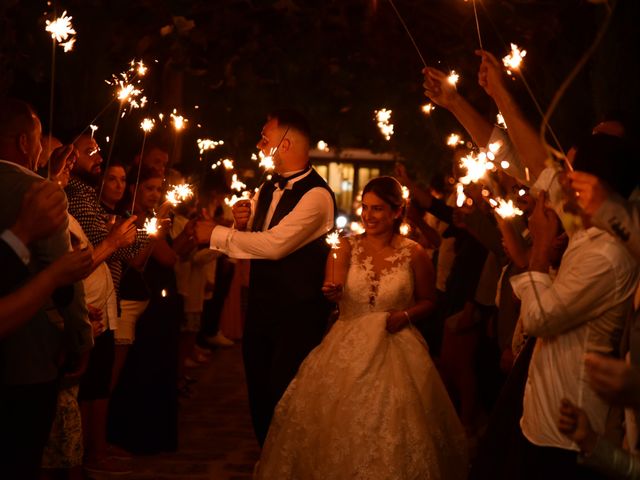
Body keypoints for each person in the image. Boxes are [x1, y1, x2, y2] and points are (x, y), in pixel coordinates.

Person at [256, 176, 467, 479]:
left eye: (378, 209)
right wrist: (333, 292)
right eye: (365, 208)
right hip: (347, 346)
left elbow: (429, 301)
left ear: (397, 211)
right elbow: (335, 286)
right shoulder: (344, 247)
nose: (368, 216)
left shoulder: (414, 253)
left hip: (397, 347)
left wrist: (405, 315)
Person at [194, 109, 336, 446]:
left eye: (264, 139)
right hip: (261, 308)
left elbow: (274, 247)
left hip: (297, 315)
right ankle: (268, 457)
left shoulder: (317, 196)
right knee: (258, 391)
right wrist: (240, 223)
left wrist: (213, 233)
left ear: (284, 144)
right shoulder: (268, 185)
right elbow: (252, 239)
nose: (259, 145)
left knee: (286, 394)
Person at [0, 98, 93, 480]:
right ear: (24, 143)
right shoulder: (41, 194)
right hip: (27, 354)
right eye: (39, 141)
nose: (41, 151)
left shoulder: (46, 185)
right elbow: (63, 278)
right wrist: (79, 340)